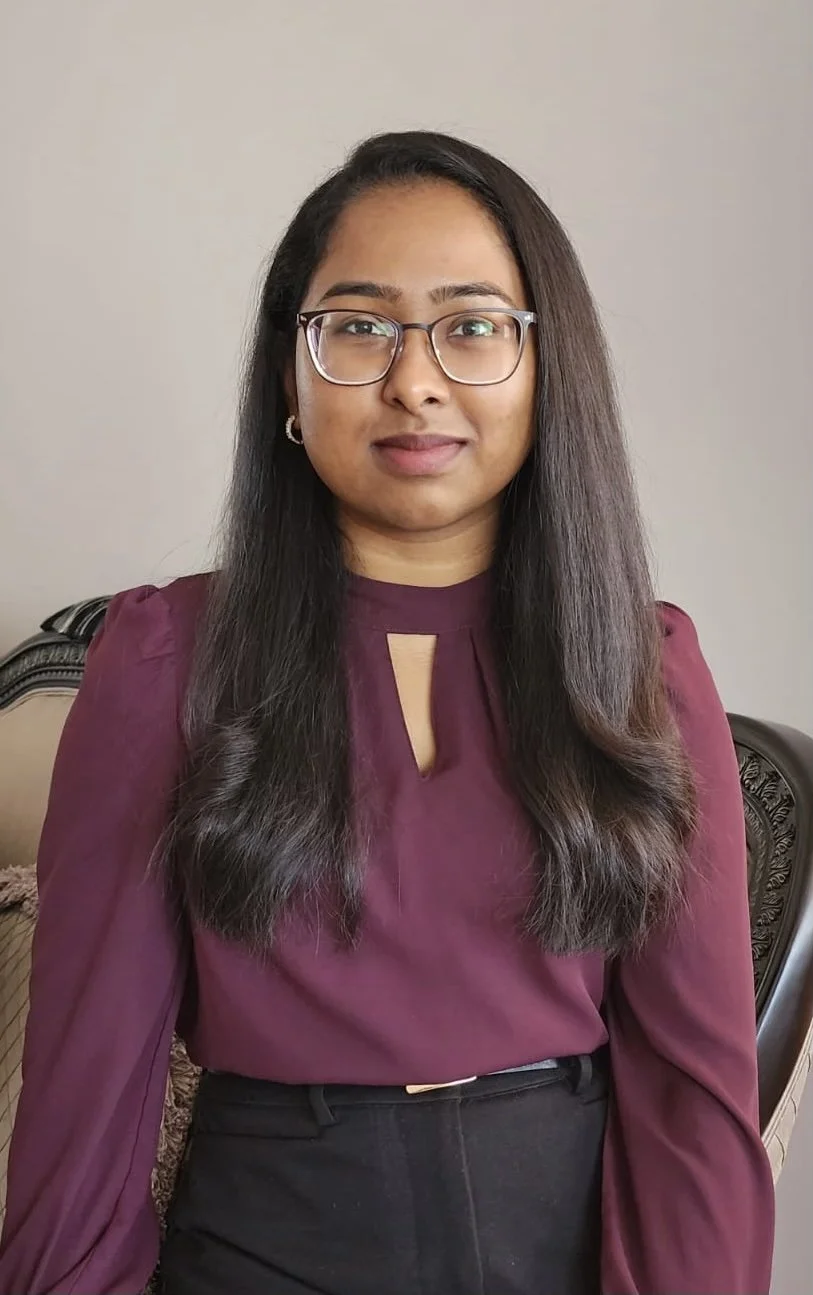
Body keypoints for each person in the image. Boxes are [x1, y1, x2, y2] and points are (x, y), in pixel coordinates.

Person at [0, 130, 774, 1295]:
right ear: (290, 377)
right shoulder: (164, 662)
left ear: (544, 369)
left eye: (473, 326)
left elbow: (693, 1098)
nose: (414, 380)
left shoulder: (643, 669)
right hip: (266, 1249)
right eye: (359, 327)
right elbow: (84, 1101)